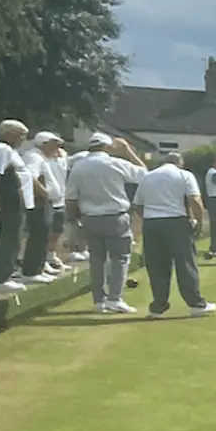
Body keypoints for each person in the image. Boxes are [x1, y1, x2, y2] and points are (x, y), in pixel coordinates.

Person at [65, 133, 147, 314]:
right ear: (108, 147)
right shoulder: (115, 163)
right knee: (120, 258)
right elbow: (144, 174)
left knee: (96, 260)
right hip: (114, 216)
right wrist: (128, 151)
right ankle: (114, 299)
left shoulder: (78, 166)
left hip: (89, 218)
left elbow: (70, 197)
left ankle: (99, 301)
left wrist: (72, 221)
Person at [134, 151, 216, 319]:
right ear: (180, 163)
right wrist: (199, 222)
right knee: (185, 263)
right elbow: (195, 200)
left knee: (156, 266)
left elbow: (137, 205)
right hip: (176, 222)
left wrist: (152, 218)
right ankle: (196, 304)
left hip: (151, 223)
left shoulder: (148, 176)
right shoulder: (184, 175)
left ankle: (158, 307)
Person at [0, 120, 40, 293]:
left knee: (15, 238)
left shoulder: (9, 151)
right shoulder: (1, 150)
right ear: (9, 133)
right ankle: (0, 278)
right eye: (21, 134)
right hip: (10, 200)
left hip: (17, 201)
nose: (24, 139)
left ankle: (7, 273)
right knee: (10, 238)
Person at [27, 131, 71, 278]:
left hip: (52, 201)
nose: (57, 148)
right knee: (40, 235)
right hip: (41, 202)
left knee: (47, 233)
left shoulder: (45, 157)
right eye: (54, 144)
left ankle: (40, 266)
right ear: (44, 144)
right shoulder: (34, 157)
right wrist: (44, 193)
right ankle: (34, 269)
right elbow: (30, 177)